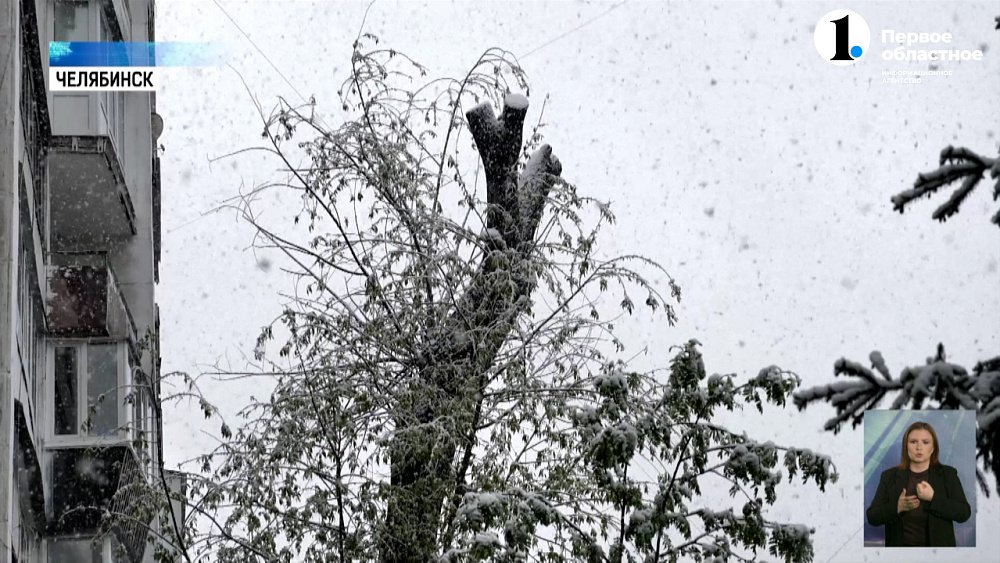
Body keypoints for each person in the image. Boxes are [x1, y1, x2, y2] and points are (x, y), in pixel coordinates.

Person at [866, 421, 972, 547]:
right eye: (913, 442)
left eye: (925, 442)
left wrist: (933, 498)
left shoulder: (948, 475)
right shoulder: (889, 476)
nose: (919, 447)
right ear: (906, 446)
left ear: (933, 448)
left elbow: (964, 513)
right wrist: (897, 507)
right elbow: (872, 517)